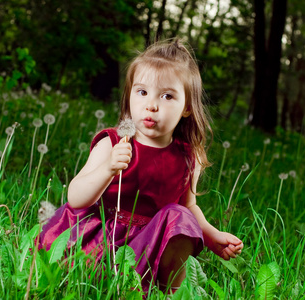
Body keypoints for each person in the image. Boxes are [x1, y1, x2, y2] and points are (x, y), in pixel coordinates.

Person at [37, 39, 243, 291]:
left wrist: (211, 236)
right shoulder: (112, 143)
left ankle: (168, 291)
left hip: (146, 245)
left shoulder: (189, 157)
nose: (152, 105)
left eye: (167, 96)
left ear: (187, 107)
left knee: (179, 216)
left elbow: (188, 207)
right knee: (89, 271)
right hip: (97, 244)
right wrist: (108, 168)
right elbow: (76, 198)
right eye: (142, 92)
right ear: (130, 94)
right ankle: (104, 281)